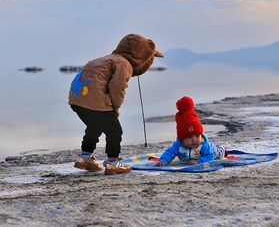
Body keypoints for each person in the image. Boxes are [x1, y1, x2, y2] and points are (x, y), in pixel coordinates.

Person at [68, 33, 164, 175]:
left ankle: (85, 158)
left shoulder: (103, 59)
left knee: (94, 126)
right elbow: (117, 87)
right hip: (95, 100)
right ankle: (113, 162)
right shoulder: (124, 64)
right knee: (114, 131)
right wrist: (115, 107)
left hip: (76, 99)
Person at [156, 96, 227, 166]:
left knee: (218, 153)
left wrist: (198, 161)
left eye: (197, 136)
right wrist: (163, 160)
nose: (194, 140)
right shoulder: (178, 145)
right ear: (182, 139)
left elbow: (210, 156)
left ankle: (222, 149)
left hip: (212, 150)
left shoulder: (203, 144)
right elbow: (169, 152)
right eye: (190, 137)